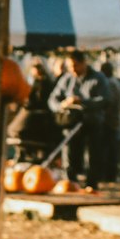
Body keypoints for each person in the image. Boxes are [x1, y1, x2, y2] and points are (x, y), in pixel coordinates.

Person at [48, 49, 108, 186]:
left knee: (93, 153)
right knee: (69, 151)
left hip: (92, 121)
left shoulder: (98, 78)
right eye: (70, 66)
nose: (73, 69)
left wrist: (82, 102)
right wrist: (61, 105)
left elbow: (105, 100)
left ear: (84, 63)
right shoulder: (67, 78)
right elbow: (52, 99)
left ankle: (92, 183)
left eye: (75, 66)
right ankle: (69, 180)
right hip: (71, 122)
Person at [7, 58, 59, 162]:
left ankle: (27, 153)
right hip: (32, 113)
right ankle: (24, 153)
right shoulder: (35, 82)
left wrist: (26, 102)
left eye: (37, 67)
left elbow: (37, 101)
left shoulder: (44, 83)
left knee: (16, 129)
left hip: (38, 117)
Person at [100, 58, 120, 180]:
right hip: (114, 120)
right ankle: (110, 174)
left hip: (109, 120)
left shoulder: (109, 84)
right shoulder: (115, 83)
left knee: (107, 149)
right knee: (111, 148)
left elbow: (109, 103)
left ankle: (109, 175)